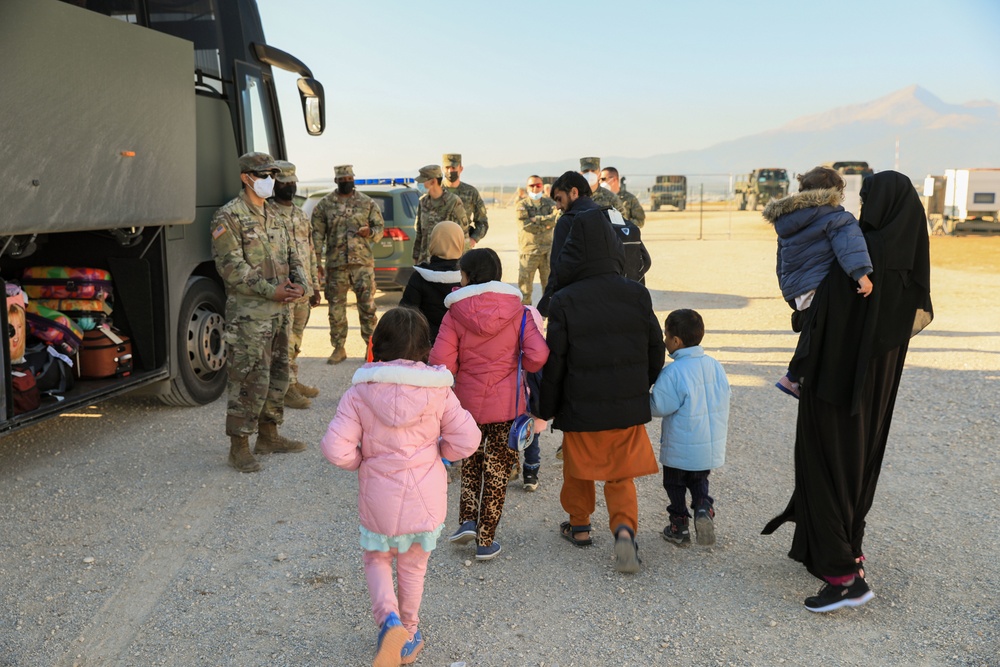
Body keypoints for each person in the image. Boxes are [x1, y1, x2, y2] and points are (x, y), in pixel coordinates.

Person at [762, 170, 933, 613]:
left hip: (834, 387)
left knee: (823, 468)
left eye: (868, 198)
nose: (861, 207)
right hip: (874, 397)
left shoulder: (864, 254)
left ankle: (844, 579)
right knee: (855, 471)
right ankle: (846, 550)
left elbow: (818, 318)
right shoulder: (907, 266)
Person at [320, 307, 481, 666]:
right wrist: (443, 453)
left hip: (379, 497)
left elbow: (335, 448)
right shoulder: (439, 391)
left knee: (377, 557)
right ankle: (408, 632)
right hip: (425, 499)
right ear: (425, 349)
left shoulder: (361, 392)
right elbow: (468, 438)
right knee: (413, 566)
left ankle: (388, 621)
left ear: (376, 345)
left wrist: (360, 461)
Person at [538, 211, 665, 573]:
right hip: (625, 406)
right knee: (619, 474)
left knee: (578, 469)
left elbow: (556, 361)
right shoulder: (636, 293)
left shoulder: (564, 300)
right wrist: (640, 386)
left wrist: (547, 407)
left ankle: (579, 526)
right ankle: (624, 530)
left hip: (580, 407)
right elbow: (656, 349)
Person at [430, 248, 548, 560]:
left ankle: (466, 519)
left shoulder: (454, 313)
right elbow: (538, 357)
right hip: (507, 407)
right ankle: (486, 540)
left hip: (466, 406)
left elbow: (440, 362)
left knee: (470, 461)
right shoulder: (519, 312)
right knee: (497, 473)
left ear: (467, 276)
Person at [210, 152, 308, 473]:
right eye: (262, 174)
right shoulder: (228, 216)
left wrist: (300, 285)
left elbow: (295, 255)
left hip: (281, 311)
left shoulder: (276, 216)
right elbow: (231, 267)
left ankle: (268, 435)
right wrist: (271, 290)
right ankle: (238, 446)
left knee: (278, 375)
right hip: (250, 315)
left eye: (272, 174)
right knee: (249, 376)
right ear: (246, 177)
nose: (269, 180)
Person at [763, 165, 873, 398]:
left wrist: (789, 289)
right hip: (819, 287)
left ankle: (798, 379)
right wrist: (862, 275)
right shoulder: (837, 217)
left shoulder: (786, 220)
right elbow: (849, 247)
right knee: (828, 337)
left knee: (815, 333)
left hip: (798, 289)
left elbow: (781, 258)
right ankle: (795, 377)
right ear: (834, 192)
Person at [650, 309, 730, 547]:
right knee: (699, 480)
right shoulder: (715, 366)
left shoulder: (673, 372)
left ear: (676, 341)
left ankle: (679, 525)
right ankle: (704, 508)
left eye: (666, 336)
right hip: (707, 444)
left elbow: (659, 407)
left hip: (679, 447)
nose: (664, 341)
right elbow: (725, 394)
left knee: (674, 484)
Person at [311, 164, 385, 365]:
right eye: (342, 180)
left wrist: (369, 232)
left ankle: (371, 348)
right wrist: (316, 263)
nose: (346, 183)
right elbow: (316, 235)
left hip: (362, 265)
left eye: (349, 179)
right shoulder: (325, 205)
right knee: (335, 309)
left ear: (354, 179)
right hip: (336, 265)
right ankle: (338, 348)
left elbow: (380, 228)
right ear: (336, 181)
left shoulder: (367, 202)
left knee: (368, 308)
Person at [271, 160, 322, 408]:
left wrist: (314, 286)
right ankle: (285, 387)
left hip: (304, 288)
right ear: (275, 185)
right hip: (285, 288)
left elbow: (310, 252)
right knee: (284, 340)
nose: (289, 186)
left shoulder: (301, 214)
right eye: (284, 182)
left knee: (297, 337)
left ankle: (293, 379)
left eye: (292, 182)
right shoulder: (267, 214)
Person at [536, 171, 600, 317]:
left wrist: (544, 308)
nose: (558, 206)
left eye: (559, 199)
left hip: (577, 303)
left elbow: (559, 269)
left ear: (574, 192)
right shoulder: (607, 215)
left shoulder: (567, 222)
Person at [399, 220, 464, 343]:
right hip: (460, 347)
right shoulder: (468, 277)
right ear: (460, 243)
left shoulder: (419, 277)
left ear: (433, 241)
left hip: (425, 347)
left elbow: (405, 315)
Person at [515, 175, 559, 305]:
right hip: (529, 253)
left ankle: (550, 319)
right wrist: (546, 224)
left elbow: (556, 219)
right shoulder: (522, 205)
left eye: (538, 185)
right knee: (525, 291)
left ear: (542, 186)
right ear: (527, 187)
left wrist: (537, 220)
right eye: (531, 185)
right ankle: (526, 319)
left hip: (547, 253)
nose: (535, 188)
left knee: (550, 289)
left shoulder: (550, 203)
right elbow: (526, 226)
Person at [411, 165, 468, 266]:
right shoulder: (423, 202)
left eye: (422, 181)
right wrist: (416, 257)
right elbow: (419, 233)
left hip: (447, 263)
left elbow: (463, 233)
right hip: (425, 263)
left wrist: (465, 263)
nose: (419, 184)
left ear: (433, 181)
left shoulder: (453, 202)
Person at [442, 153, 489, 245]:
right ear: (443, 169)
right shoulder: (435, 192)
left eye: (453, 168)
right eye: (447, 168)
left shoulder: (471, 192)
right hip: (440, 247)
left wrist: (474, 239)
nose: (450, 171)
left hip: (462, 246)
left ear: (461, 169)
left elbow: (482, 222)